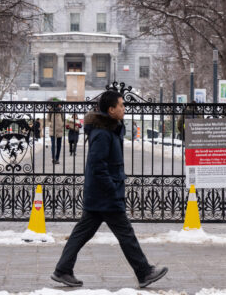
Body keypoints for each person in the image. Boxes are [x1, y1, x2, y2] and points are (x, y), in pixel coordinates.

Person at [51, 90, 168, 288]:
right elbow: (98, 166)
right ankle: (144, 272)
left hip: (99, 195)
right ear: (111, 109)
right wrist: (112, 189)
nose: (124, 108)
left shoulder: (109, 130)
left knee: (82, 233)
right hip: (105, 195)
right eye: (121, 105)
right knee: (126, 234)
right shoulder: (102, 134)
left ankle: (62, 270)